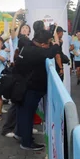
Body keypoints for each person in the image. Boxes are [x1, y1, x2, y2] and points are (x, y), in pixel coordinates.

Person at [14, 22, 63, 151]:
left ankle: (19, 133)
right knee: (27, 114)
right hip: (30, 88)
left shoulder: (28, 46)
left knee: (22, 112)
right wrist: (56, 43)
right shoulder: (35, 52)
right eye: (48, 43)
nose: (48, 45)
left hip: (21, 85)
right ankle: (27, 142)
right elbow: (52, 52)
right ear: (42, 45)